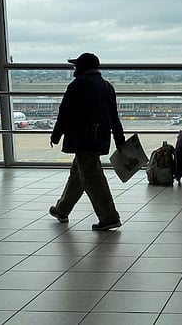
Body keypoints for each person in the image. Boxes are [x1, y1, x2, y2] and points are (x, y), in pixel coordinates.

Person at [49, 52, 125, 231]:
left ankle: (109, 217)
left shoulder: (77, 85)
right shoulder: (107, 87)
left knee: (92, 178)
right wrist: (120, 140)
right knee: (78, 175)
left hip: (82, 139)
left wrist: (56, 134)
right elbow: (114, 117)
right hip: (99, 138)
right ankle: (62, 209)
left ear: (83, 67)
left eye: (77, 66)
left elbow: (64, 112)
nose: (75, 69)